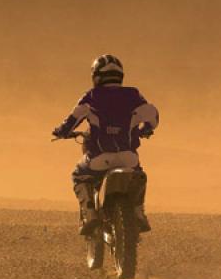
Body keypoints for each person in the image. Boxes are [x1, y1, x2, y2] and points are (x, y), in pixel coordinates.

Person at [52, 54, 159, 235]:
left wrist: (61, 131)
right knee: (139, 175)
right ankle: (138, 212)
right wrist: (145, 129)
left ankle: (90, 214)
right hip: (128, 158)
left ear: (97, 76)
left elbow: (74, 117)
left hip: (99, 158)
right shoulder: (133, 94)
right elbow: (152, 114)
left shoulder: (91, 96)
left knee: (79, 175)